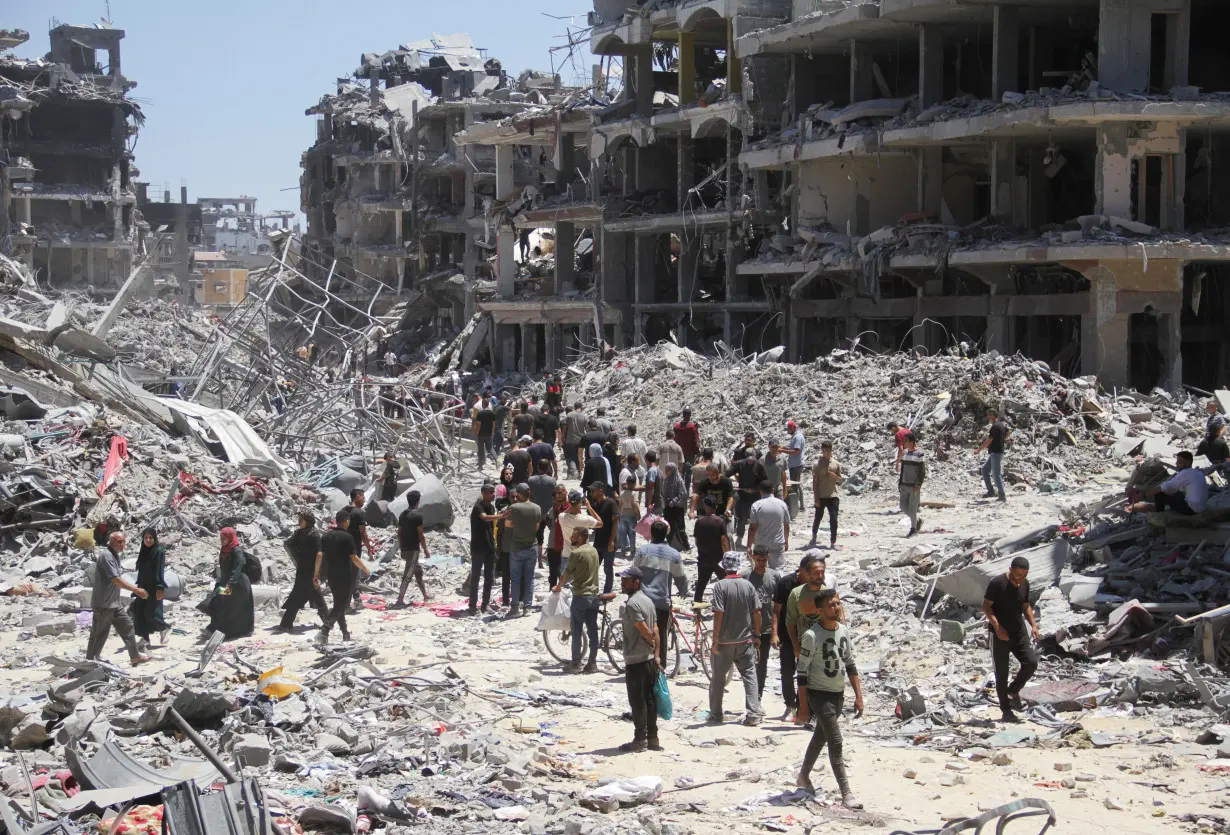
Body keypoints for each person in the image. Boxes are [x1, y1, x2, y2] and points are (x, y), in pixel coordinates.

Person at [796, 588, 863, 809]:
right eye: (831, 604)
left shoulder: (843, 631)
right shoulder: (811, 636)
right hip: (819, 694)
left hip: (837, 694)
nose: (836, 607)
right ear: (820, 610)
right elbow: (802, 673)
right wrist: (803, 707)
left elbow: (850, 664)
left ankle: (803, 776)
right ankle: (847, 793)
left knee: (820, 737)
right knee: (835, 740)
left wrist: (859, 696)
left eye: (837, 603)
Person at [982, 556, 1040, 723]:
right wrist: (997, 627)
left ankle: (1013, 690)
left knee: (1031, 662)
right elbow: (986, 606)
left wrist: (1033, 625)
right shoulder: (997, 583)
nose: (1019, 579)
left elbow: (1025, 605)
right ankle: (1006, 710)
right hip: (999, 633)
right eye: (1017, 576)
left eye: (1023, 576)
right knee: (1002, 673)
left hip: (1018, 631)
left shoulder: (1025, 584)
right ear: (1010, 570)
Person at [708, 552, 763, 726]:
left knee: (718, 679)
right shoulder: (748, 586)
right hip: (745, 641)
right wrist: (757, 634)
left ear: (724, 566)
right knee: (750, 676)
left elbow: (718, 614)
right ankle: (754, 713)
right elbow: (757, 613)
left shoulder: (720, 586)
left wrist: (715, 641)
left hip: (724, 642)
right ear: (738, 566)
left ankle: (716, 714)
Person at [87, 532, 151, 666]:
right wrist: (136, 590)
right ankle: (90, 662)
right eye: (118, 542)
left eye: (123, 542)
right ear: (110, 543)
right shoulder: (106, 556)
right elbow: (115, 579)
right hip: (103, 604)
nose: (122, 545)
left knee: (127, 626)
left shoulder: (115, 555)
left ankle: (135, 656)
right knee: (99, 634)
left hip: (114, 603)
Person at [632, 519, 688, 668]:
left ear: (651, 533)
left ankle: (640, 663)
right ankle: (660, 667)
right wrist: (683, 591)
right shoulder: (674, 555)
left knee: (640, 631)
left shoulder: (642, 551)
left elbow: (633, 572)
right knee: (661, 633)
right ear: (666, 534)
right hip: (662, 601)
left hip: (642, 600)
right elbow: (680, 577)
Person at [618, 565, 661, 752]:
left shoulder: (633, 604)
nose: (622, 583)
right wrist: (657, 654)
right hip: (650, 659)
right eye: (622, 580)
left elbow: (644, 628)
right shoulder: (648, 601)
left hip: (637, 659)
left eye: (626, 580)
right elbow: (656, 629)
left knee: (638, 701)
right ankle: (653, 738)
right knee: (650, 699)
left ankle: (640, 740)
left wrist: (650, 642)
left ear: (636, 582)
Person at [315, 510, 369, 644]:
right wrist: (366, 569)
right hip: (345, 575)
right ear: (346, 521)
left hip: (331, 576)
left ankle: (345, 633)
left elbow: (320, 555)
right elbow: (354, 558)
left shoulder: (326, 536)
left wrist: (316, 575)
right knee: (341, 605)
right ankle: (325, 630)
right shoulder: (347, 537)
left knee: (338, 603)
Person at [555, 526, 602, 673]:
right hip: (594, 596)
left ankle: (575, 663)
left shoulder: (576, 553)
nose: (571, 539)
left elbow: (566, 574)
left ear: (580, 538)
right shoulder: (594, 550)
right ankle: (592, 664)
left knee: (576, 630)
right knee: (592, 631)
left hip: (581, 596)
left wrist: (558, 587)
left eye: (574, 536)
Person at [277, 512, 328, 632]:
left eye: (301, 519)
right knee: (302, 596)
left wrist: (316, 575)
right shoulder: (299, 533)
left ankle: (286, 624)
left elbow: (319, 555)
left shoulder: (315, 535)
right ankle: (327, 622)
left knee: (311, 596)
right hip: (302, 571)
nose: (299, 521)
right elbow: (289, 544)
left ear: (308, 521)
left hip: (310, 571)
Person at [773, 554, 809, 717]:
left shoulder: (815, 585)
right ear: (801, 570)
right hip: (786, 634)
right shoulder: (785, 583)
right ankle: (790, 703)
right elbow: (776, 610)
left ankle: (804, 706)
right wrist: (774, 633)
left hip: (807, 637)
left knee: (806, 672)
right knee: (787, 671)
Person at [742, 545, 780, 700]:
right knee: (747, 665)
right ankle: (750, 695)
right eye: (758, 560)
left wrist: (776, 632)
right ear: (753, 558)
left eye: (764, 560)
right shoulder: (745, 576)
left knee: (761, 664)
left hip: (766, 629)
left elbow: (777, 604)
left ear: (768, 557)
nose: (761, 563)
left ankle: (757, 697)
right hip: (747, 629)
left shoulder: (774, 576)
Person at [208, 528, 254, 640]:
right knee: (219, 603)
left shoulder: (237, 550)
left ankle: (232, 632)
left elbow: (237, 569)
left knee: (234, 608)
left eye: (224, 538)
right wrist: (220, 582)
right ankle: (216, 630)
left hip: (238, 584)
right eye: (221, 538)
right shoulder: (224, 549)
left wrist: (229, 584)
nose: (222, 540)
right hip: (226, 582)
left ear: (230, 538)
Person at [786, 550, 834, 658]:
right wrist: (795, 646)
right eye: (817, 573)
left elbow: (837, 620)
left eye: (822, 572)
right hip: (805, 646)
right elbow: (790, 622)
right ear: (807, 573)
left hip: (826, 646)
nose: (820, 576)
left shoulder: (829, 594)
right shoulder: (796, 593)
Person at [1130, 450, 1209, 515]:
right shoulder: (1197, 472)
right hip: (1201, 508)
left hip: (1192, 510)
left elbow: (1167, 487)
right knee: (1175, 494)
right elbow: (1174, 489)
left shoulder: (1186, 473)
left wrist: (1143, 495)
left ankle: (1159, 516)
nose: (1176, 464)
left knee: (1159, 494)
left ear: (1188, 463)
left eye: (1179, 462)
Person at [505, 484, 543, 618]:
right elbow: (537, 528)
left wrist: (517, 524)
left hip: (516, 548)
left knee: (515, 579)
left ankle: (514, 608)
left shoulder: (514, 507)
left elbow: (507, 524)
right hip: (532, 547)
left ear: (519, 494)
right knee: (530, 578)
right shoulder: (537, 508)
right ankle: (527, 607)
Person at [129, 528, 168, 649]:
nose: (148, 540)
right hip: (142, 587)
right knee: (139, 612)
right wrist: (137, 588)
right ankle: (145, 639)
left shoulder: (159, 551)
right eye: (146, 538)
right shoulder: (143, 551)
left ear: (155, 538)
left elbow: (159, 570)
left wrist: (160, 587)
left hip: (154, 587)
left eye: (151, 537)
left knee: (151, 614)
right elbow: (141, 571)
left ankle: (164, 628)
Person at [468, 484, 501, 614]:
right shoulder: (478, 507)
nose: (493, 494)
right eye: (490, 492)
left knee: (489, 578)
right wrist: (501, 516)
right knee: (475, 577)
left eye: (494, 492)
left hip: (489, 547)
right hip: (478, 548)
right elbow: (484, 517)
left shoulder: (491, 507)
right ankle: (472, 606)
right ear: (483, 493)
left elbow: (492, 528)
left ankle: (485, 604)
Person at [395, 490, 430, 607]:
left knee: (418, 571)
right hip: (413, 549)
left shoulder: (402, 515)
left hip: (405, 548)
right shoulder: (418, 516)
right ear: (418, 501)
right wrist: (425, 550)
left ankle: (425, 595)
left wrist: (401, 547)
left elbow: (399, 532)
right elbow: (421, 535)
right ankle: (400, 600)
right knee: (408, 575)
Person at [692, 497, 730, 602]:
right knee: (726, 582)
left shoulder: (699, 521)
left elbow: (696, 541)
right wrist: (727, 555)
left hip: (703, 557)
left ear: (705, 506)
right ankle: (728, 602)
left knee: (701, 585)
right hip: (718, 558)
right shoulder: (720, 521)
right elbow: (724, 541)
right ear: (716, 507)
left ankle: (696, 607)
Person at [558, 488, 602, 579]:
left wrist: (571, 505)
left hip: (567, 555)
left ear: (569, 502)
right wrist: (589, 507)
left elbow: (565, 513)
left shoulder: (562, 517)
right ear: (580, 502)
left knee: (566, 586)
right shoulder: (585, 519)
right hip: (583, 556)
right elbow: (600, 523)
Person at [747, 479, 790, 569]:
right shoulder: (782, 504)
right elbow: (786, 526)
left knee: (759, 569)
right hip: (777, 543)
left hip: (760, 544)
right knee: (778, 570)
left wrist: (749, 546)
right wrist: (786, 541)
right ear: (773, 490)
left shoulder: (756, 505)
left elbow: (753, 528)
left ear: (761, 491)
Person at [728, 449, 767, 546]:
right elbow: (728, 473)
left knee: (757, 518)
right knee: (742, 517)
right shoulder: (740, 464)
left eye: (752, 458)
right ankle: (740, 537)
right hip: (744, 496)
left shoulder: (760, 466)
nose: (750, 460)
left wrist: (754, 489)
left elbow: (764, 482)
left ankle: (758, 539)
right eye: (748, 458)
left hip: (756, 497)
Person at [810, 441, 843, 549]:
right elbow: (815, 482)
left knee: (834, 519)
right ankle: (814, 536)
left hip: (833, 495)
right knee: (818, 517)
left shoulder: (836, 464)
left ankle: (833, 542)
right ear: (822, 451)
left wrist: (834, 476)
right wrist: (816, 498)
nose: (828, 453)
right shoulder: (817, 464)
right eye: (825, 451)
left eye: (829, 450)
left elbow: (840, 480)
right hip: (821, 495)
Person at [588, 483, 620, 594]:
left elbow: (615, 523)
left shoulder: (611, 503)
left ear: (601, 491)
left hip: (608, 542)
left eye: (593, 491)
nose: (591, 493)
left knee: (607, 568)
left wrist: (611, 541)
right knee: (594, 567)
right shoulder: (596, 504)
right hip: (598, 542)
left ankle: (607, 592)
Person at [978, 409, 1009, 502]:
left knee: (996, 474)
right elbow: (1008, 432)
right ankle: (991, 491)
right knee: (984, 469)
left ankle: (1002, 495)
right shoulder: (1001, 424)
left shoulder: (995, 426)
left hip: (996, 452)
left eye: (989, 415)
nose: (988, 417)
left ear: (992, 416)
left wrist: (979, 450)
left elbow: (989, 440)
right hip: (995, 452)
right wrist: (1002, 439)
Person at [899, 432, 925, 537]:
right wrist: (900, 482)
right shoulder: (905, 453)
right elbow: (903, 469)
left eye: (906, 441)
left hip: (914, 485)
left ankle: (913, 529)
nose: (904, 443)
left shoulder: (919, 453)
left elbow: (922, 471)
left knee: (913, 508)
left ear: (912, 441)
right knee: (903, 506)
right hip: (904, 484)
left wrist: (918, 484)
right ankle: (917, 520)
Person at [660, 462, 690, 552]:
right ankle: (671, 544)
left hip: (677, 507)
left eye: (668, 469)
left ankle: (686, 546)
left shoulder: (679, 481)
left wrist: (673, 501)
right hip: (668, 507)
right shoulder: (666, 480)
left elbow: (683, 494)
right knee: (668, 526)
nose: (666, 471)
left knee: (680, 528)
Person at [617, 474, 641, 560]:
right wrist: (638, 514)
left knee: (623, 533)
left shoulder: (622, 493)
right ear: (634, 484)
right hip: (631, 515)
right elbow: (634, 504)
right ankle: (632, 551)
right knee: (632, 534)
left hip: (623, 515)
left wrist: (619, 514)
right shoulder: (634, 493)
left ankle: (623, 550)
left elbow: (619, 505)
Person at [673, 408, 701, 479]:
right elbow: (696, 440)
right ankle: (687, 487)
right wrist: (697, 451)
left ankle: (680, 485)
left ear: (683, 415)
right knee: (688, 470)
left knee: (680, 469)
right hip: (690, 452)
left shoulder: (676, 426)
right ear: (690, 415)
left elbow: (675, 439)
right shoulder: (692, 426)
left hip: (679, 451)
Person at [563, 402, 588, 478]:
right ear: (581, 407)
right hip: (580, 440)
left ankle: (573, 471)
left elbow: (564, 425)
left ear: (574, 407)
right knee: (579, 456)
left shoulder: (569, 415)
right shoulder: (584, 417)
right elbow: (586, 429)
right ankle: (580, 473)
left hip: (570, 439)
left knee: (570, 456)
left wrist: (563, 436)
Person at [472, 396, 497, 469]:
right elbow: (493, 425)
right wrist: (492, 433)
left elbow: (478, 425)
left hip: (481, 434)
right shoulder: (492, 413)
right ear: (488, 404)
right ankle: (496, 459)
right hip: (489, 434)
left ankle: (480, 465)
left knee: (481, 449)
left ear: (483, 404)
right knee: (490, 448)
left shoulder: (479, 413)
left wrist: (476, 433)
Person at [784, 420, 806, 496]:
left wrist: (783, 450)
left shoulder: (797, 437)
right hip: (795, 464)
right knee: (796, 484)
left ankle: (796, 505)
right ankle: (801, 505)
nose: (788, 431)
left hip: (796, 465)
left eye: (789, 429)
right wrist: (785, 448)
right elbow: (792, 448)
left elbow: (796, 451)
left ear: (793, 427)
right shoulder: (796, 436)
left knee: (795, 486)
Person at [643, 451, 662, 516]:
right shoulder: (658, 469)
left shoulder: (652, 471)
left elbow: (651, 488)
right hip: (658, 502)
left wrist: (649, 504)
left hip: (654, 504)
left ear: (646, 459)